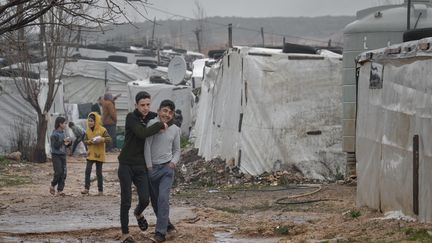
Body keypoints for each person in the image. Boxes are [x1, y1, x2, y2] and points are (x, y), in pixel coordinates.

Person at [117, 91, 167, 243]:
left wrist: (167, 119)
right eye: (142, 105)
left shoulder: (151, 116)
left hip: (141, 165)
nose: (145, 108)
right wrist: (159, 125)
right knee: (126, 200)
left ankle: (138, 213)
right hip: (126, 164)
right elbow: (141, 133)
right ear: (136, 105)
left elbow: (167, 119)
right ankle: (125, 234)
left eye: (147, 105)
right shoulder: (131, 118)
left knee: (145, 199)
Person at [145, 100, 181, 242]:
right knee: (155, 201)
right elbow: (147, 146)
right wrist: (149, 167)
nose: (167, 114)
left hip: (167, 169)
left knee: (163, 199)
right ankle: (167, 224)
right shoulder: (152, 125)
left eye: (170, 112)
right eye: (164, 111)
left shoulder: (175, 129)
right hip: (152, 168)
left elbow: (177, 150)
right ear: (159, 111)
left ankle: (160, 233)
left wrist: (173, 163)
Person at [81, 112, 111, 196]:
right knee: (87, 171)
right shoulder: (87, 130)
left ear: (96, 121)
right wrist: (89, 141)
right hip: (90, 154)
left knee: (99, 173)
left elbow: (109, 139)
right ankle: (86, 189)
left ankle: (100, 191)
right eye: (89, 121)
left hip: (99, 154)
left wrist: (101, 139)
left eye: (92, 121)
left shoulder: (102, 130)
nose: (90, 122)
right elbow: (85, 141)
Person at [49, 116, 71, 196]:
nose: (65, 125)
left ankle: (60, 190)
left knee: (64, 173)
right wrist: (63, 141)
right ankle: (52, 185)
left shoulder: (64, 133)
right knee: (58, 172)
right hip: (56, 156)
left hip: (63, 155)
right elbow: (55, 146)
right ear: (60, 124)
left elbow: (66, 145)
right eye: (64, 123)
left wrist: (69, 143)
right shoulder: (54, 135)